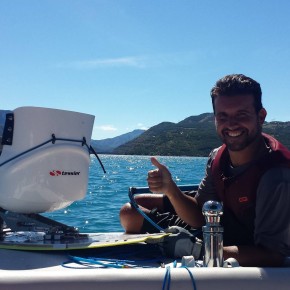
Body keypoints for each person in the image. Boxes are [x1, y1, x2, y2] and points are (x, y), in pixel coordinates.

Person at [119, 74, 290, 267]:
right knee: (131, 210)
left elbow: (273, 255)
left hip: (246, 247)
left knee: (134, 218)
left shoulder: (277, 175)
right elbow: (199, 217)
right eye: (222, 116)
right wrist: (171, 190)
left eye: (241, 115)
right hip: (218, 228)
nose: (231, 124)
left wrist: (197, 250)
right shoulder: (218, 156)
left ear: (261, 117)